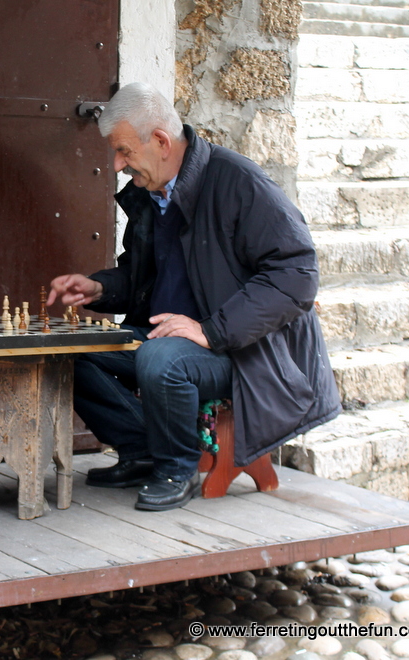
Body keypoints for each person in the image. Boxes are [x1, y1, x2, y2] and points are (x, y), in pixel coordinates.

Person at [48, 83, 340, 512]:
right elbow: (145, 275)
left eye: (125, 152)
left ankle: (176, 468)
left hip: (243, 351)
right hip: (175, 337)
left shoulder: (239, 182)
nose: (116, 164)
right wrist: (101, 287)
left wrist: (210, 330)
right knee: (68, 349)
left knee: (160, 358)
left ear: (162, 142)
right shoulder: (153, 193)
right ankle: (141, 449)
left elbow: (297, 274)